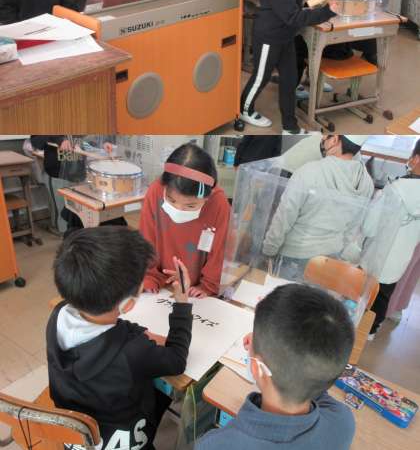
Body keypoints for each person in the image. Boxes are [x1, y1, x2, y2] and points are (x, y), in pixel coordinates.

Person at [47, 226, 192, 450]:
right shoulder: (133, 351)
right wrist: (182, 302)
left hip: (76, 437)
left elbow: (116, 330)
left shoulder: (58, 314)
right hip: (126, 441)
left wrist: (137, 333)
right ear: (128, 304)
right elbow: (177, 359)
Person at [196, 284, 355, 450]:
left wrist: (264, 345)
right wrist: (265, 346)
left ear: (258, 368)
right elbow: (312, 376)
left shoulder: (215, 445)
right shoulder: (342, 422)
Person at [240, 0, 337, 133]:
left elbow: (295, 2)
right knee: (261, 77)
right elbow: (293, 16)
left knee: (289, 80)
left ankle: (290, 126)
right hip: (270, 37)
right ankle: (244, 110)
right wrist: (327, 11)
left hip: (286, 35)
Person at [263, 135, 373, 279]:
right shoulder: (367, 183)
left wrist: (269, 249)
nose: (323, 138)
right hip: (331, 257)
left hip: (295, 254)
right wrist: (338, 249)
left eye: (326, 136)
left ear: (334, 140)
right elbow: (354, 226)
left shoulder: (308, 171)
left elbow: (284, 216)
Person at [140, 143, 230, 297]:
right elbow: (146, 237)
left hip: (195, 285)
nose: (179, 209)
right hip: (161, 281)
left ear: (207, 196)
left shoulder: (218, 204)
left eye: (190, 205)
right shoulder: (155, 191)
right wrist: (149, 275)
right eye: (171, 200)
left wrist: (208, 285)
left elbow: (219, 250)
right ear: (165, 187)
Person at [361, 138, 420, 339]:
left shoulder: (395, 189)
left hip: (376, 255)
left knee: (365, 296)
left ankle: (358, 329)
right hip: (401, 258)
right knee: (384, 295)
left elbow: (369, 227)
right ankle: (372, 330)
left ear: (416, 159)